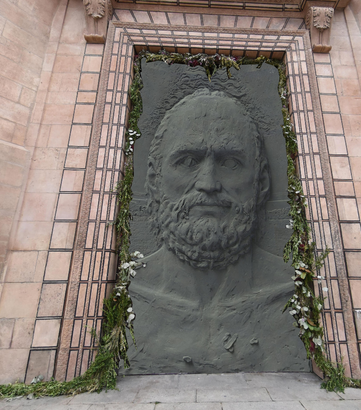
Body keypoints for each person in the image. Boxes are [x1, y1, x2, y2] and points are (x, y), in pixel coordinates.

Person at [126, 89, 306, 374]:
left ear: (260, 183)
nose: (208, 183)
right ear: (153, 180)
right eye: (187, 161)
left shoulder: (291, 292)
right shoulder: (129, 293)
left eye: (230, 163)